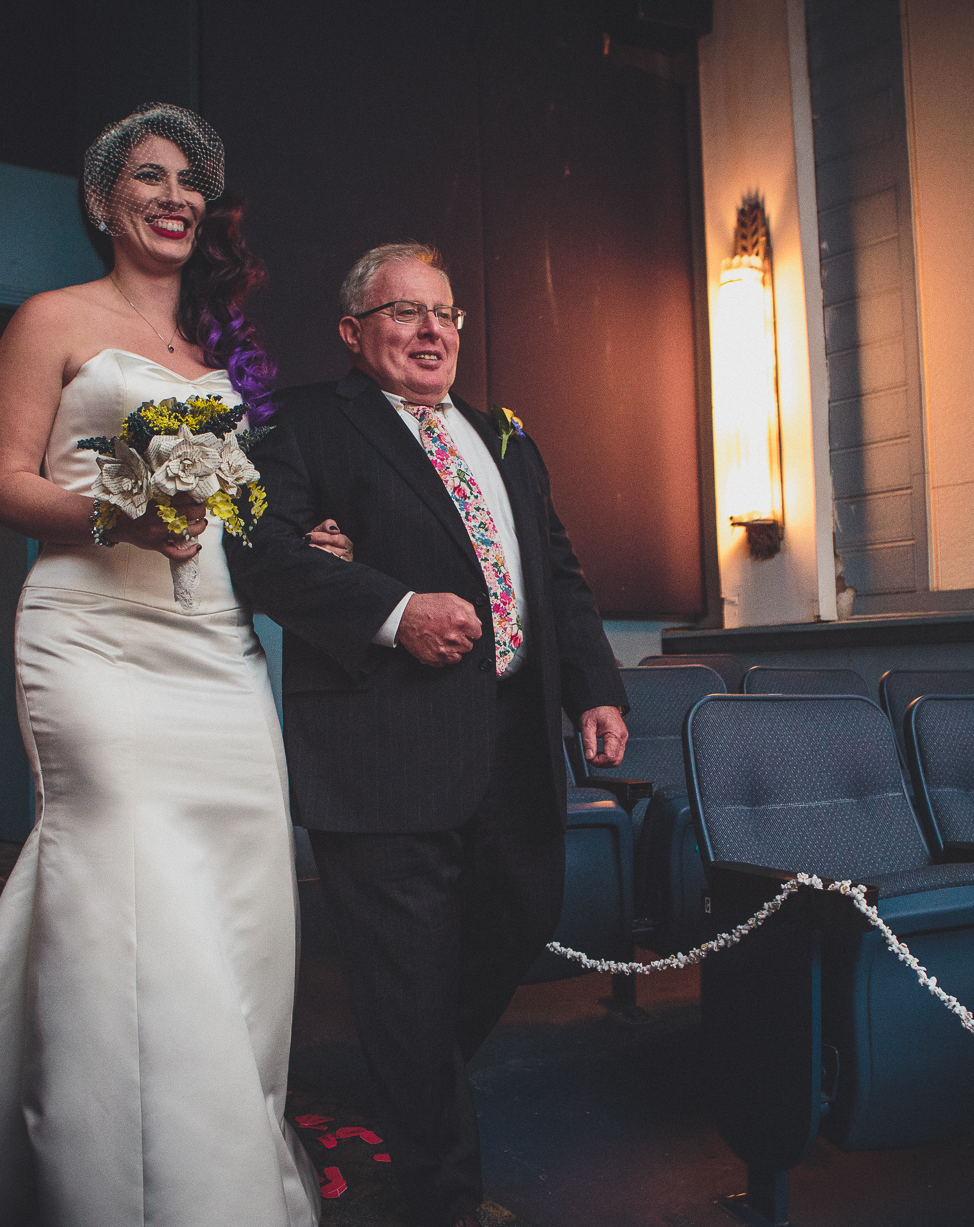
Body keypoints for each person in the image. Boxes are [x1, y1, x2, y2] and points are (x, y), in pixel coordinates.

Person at [0, 103, 339, 1227]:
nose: (174, 197)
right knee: (121, 868)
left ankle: (218, 1147)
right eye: (150, 178)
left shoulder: (221, 355)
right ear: (104, 201)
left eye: (190, 183)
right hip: (93, 641)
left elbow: (238, 509)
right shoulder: (53, 318)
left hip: (217, 651)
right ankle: (120, 1185)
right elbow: (2, 483)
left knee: (237, 894)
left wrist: (300, 538)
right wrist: (115, 513)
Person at [225, 243, 631, 1227]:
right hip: (381, 749)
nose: (430, 331)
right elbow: (257, 552)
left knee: (520, 921)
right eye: (403, 311)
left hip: (513, 745)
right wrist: (392, 609)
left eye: (444, 313)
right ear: (351, 332)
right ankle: (443, 1200)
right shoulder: (303, 422)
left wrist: (595, 690)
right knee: (405, 991)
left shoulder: (502, 436)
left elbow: (558, 574)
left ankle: (406, 1089)